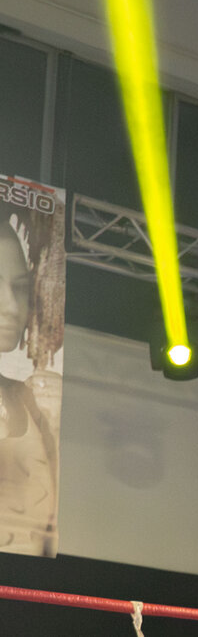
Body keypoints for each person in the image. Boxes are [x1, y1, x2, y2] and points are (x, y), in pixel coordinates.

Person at [0, 212, 63, 558]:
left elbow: (50, 529)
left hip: (31, 586)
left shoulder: (34, 399)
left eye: (20, 288)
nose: (11, 307)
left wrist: (52, 427)